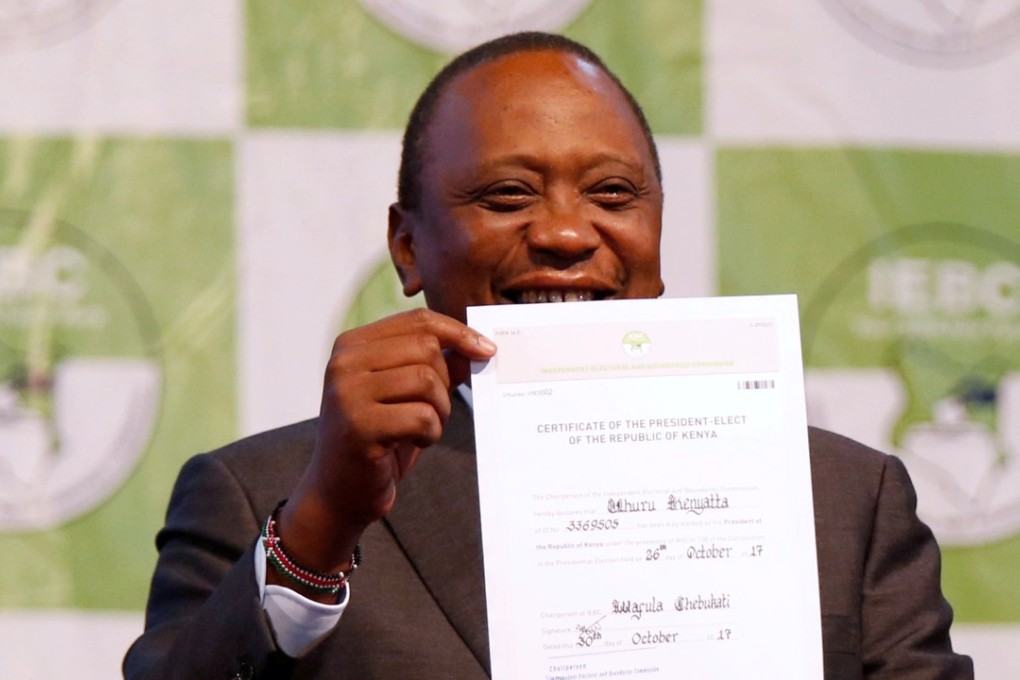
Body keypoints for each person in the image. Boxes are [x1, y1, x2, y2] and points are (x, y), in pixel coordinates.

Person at [123, 32, 973, 679]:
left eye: (612, 194)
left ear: (657, 227)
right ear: (407, 245)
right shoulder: (260, 498)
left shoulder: (846, 503)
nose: (567, 234)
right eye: (507, 196)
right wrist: (321, 528)